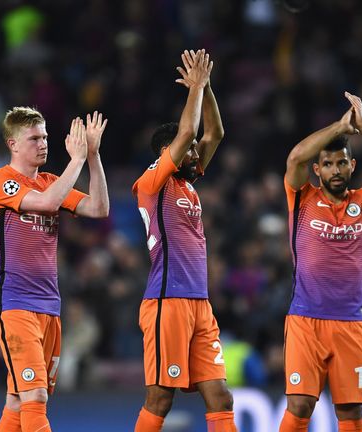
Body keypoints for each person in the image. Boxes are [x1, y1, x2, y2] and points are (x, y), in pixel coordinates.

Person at [279, 92, 362, 431]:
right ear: (318, 169)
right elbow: (295, 158)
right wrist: (339, 126)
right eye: (328, 164)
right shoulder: (302, 197)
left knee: (350, 412)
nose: (335, 170)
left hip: (350, 322)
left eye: (341, 163)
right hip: (305, 319)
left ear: (352, 166)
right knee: (300, 404)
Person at [0, 107, 110, 432]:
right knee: (35, 396)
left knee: (17, 400)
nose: (43, 144)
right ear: (12, 144)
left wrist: (92, 156)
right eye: (34, 138)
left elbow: (98, 207)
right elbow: (47, 203)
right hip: (14, 303)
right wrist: (77, 160)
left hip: (49, 306)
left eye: (46, 137)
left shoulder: (52, 181)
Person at [132, 49, 235, 432]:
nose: (196, 153)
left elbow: (215, 133)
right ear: (167, 152)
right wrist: (193, 86)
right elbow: (190, 132)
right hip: (166, 301)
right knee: (160, 397)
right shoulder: (152, 182)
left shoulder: (186, 184)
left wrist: (205, 89)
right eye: (187, 150)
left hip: (198, 303)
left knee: (221, 396)